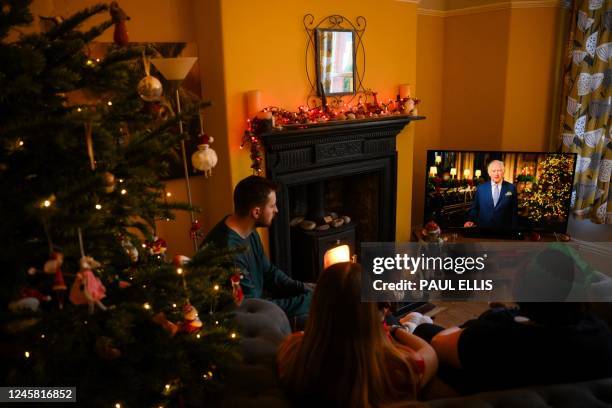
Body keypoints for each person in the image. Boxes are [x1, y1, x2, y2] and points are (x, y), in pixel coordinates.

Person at [277, 262, 438, 406]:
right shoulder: (396, 368)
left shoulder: (291, 349)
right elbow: (430, 354)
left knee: (410, 320)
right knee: (421, 324)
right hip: (389, 335)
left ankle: (412, 322)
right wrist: (396, 330)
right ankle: (411, 324)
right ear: (369, 316)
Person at [204, 175, 313, 321]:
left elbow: (269, 272)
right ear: (256, 212)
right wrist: (309, 301)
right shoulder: (229, 250)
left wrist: (304, 288)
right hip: (241, 318)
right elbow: (253, 308)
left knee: (314, 297)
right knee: (315, 312)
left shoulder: (247, 229)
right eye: (272, 205)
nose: (277, 210)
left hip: (258, 302)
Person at [464, 160, 518, 229]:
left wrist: (514, 231)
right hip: (483, 229)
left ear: (503, 172)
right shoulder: (481, 188)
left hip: (504, 230)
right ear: (489, 173)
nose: (496, 174)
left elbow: (514, 213)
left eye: (499, 170)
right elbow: (475, 208)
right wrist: (470, 220)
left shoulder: (511, 188)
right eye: (493, 171)